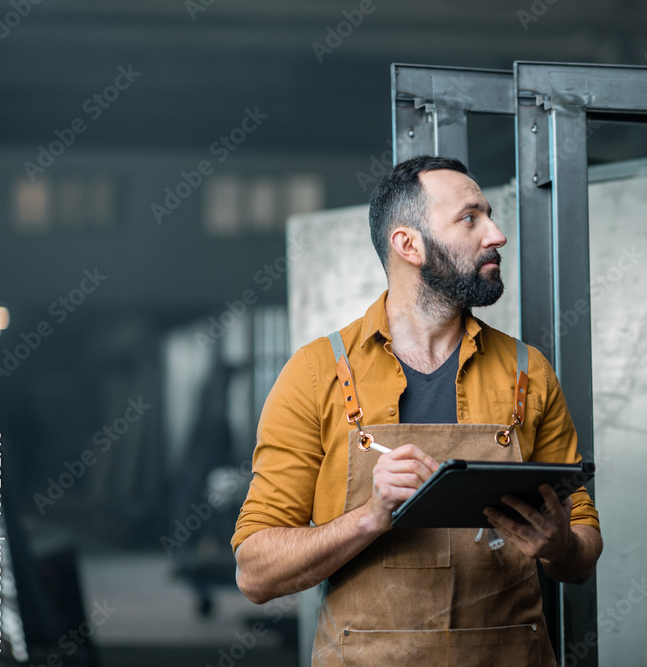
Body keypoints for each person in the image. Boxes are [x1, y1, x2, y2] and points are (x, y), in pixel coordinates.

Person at [232, 155, 602, 665]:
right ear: (409, 244)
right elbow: (255, 573)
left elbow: (583, 548)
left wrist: (559, 545)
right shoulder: (316, 373)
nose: (497, 235)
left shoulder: (528, 371)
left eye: (490, 216)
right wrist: (370, 518)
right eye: (471, 218)